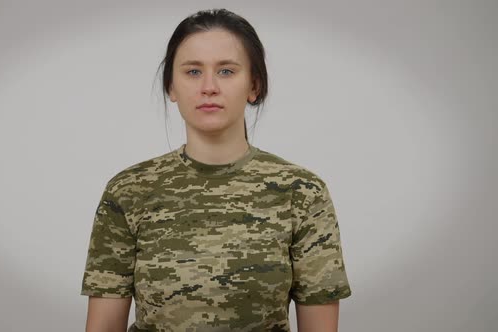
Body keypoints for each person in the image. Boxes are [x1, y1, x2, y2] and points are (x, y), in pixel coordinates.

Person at [81, 8, 352, 332]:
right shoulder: (128, 192)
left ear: (254, 85)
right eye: (193, 72)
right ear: (171, 86)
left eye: (226, 71)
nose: (208, 86)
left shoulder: (302, 193)